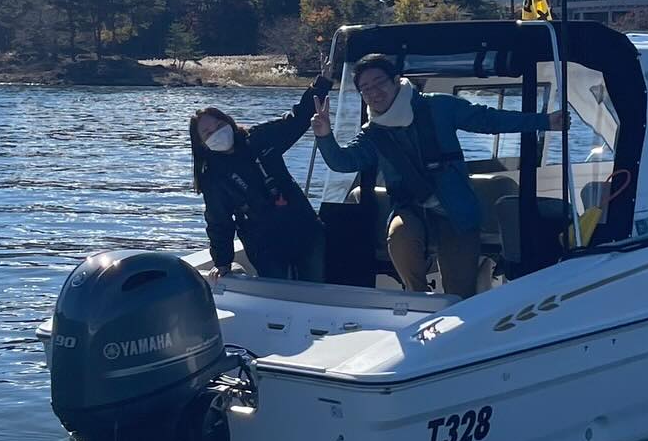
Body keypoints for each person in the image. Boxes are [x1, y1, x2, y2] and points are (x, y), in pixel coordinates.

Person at [311, 54, 564, 297]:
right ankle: (417, 297)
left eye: (379, 83)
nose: (374, 92)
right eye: (366, 89)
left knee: (459, 290)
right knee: (399, 236)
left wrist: (544, 121)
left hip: (457, 213)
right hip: (410, 210)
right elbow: (342, 162)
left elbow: (489, 120)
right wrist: (324, 135)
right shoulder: (372, 133)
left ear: (397, 80)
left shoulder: (437, 106)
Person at [191, 75, 332, 281]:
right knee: (278, 291)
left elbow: (296, 121)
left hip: (303, 227)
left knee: (315, 285)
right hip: (263, 244)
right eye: (207, 132)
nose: (216, 132)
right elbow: (218, 221)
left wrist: (320, 86)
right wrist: (222, 262)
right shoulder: (212, 176)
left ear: (229, 122)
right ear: (201, 143)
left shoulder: (258, 138)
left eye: (219, 125)